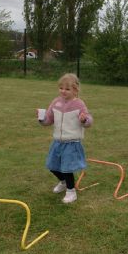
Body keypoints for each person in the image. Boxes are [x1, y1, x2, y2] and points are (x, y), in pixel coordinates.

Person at [38, 73, 93, 204]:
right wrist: (42, 119)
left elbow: (88, 121)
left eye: (67, 89)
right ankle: (63, 182)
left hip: (72, 142)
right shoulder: (56, 102)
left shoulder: (79, 104)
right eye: (61, 88)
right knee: (52, 165)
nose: (63, 91)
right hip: (57, 141)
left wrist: (84, 119)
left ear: (75, 90)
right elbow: (49, 120)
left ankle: (71, 191)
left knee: (67, 168)